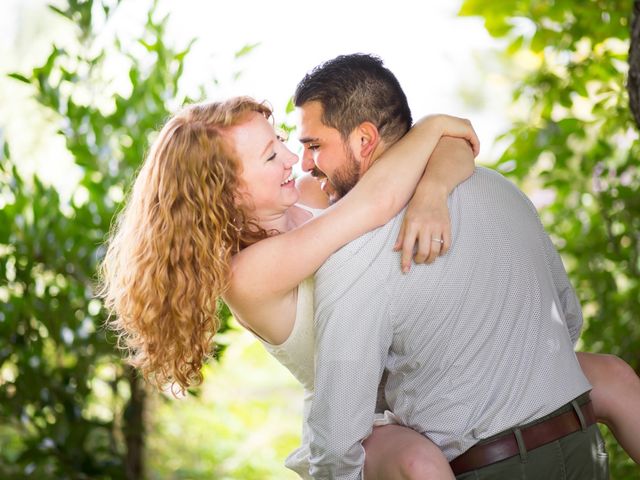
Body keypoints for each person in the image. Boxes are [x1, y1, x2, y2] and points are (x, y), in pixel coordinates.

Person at [294, 53, 640, 479]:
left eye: (314, 146)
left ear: (364, 139)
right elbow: (567, 320)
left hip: (489, 469)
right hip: (583, 442)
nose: (306, 165)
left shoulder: (356, 253)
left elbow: (338, 438)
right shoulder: (498, 188)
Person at [98, 95, 482, 478]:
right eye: (270, 156)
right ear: (225, 190)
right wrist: (432, 125)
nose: (292, 158)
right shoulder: (248, 275)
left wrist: (434, 189)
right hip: (358, 422)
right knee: (421, 467)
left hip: (416, 382)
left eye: (280, 139)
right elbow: (378, 201)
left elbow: (453, 152)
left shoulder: (312, 195)